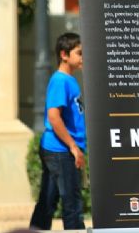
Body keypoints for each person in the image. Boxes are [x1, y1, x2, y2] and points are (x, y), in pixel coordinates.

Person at [29, 32, 86, 230]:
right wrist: (73, 146)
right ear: (64, 55)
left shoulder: (69, 80)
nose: (83, 58)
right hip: (61, 151)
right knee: (72, 205)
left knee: (47, 202)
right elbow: (54, 117)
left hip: (58, 150)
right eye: (79, 53)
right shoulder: (61, 81)